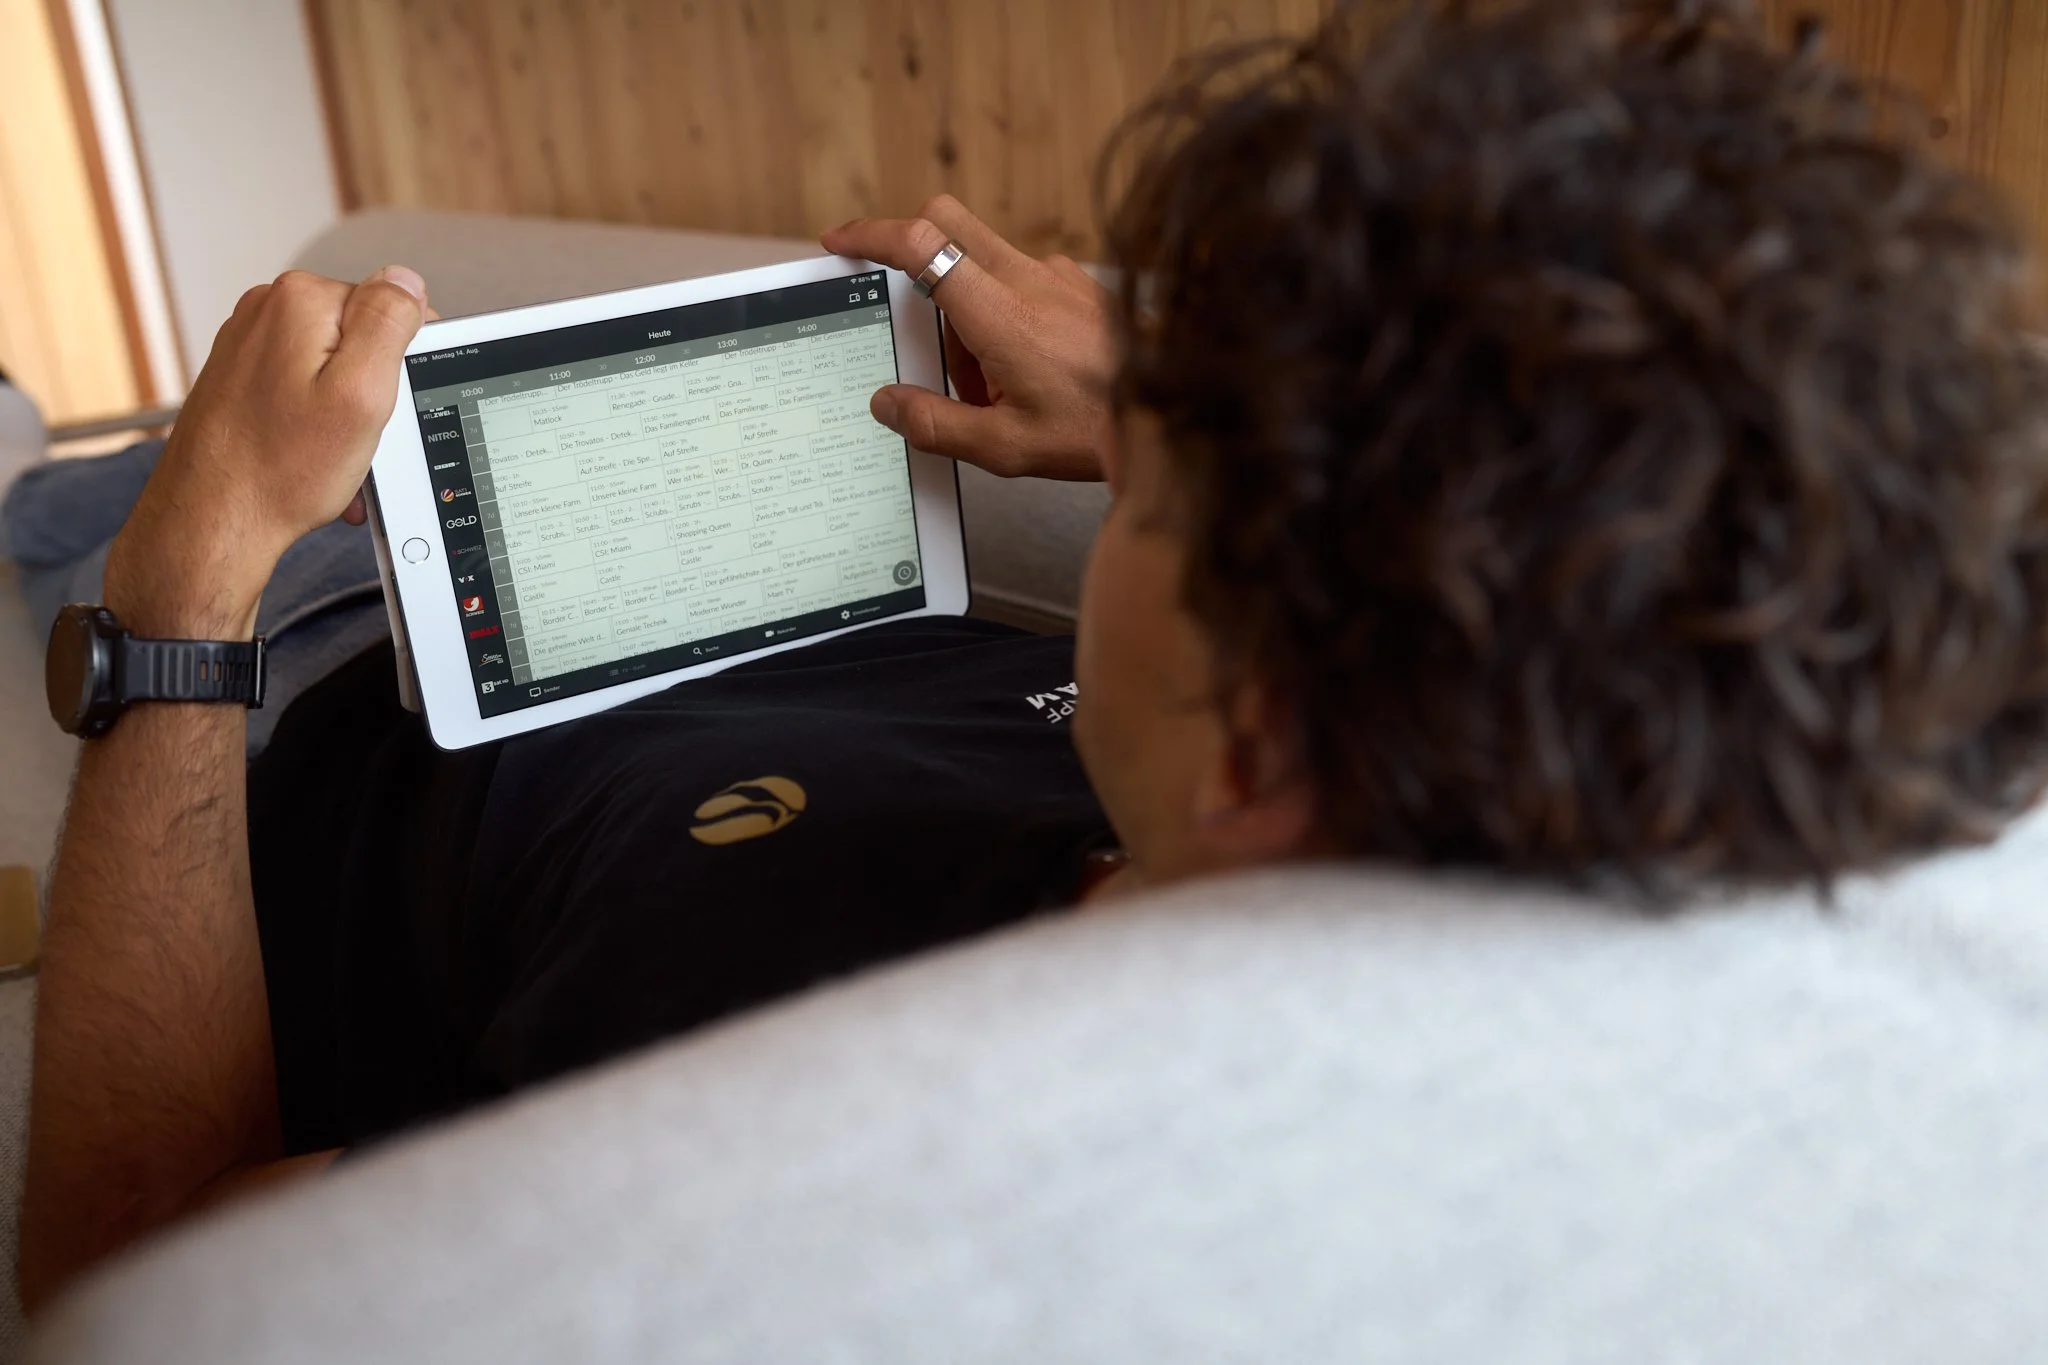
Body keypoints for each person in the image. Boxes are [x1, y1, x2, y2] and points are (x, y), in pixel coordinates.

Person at [15, 0, 2048, 1314]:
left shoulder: (756, 1113)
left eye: (1162, 489)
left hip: (285, 693)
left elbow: (116, 1288)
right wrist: (1171, 415)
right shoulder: (1556, 762)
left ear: (1255, 735)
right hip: (622, 633)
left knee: (53, 490)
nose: (1126, 462)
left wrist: (186, 601)